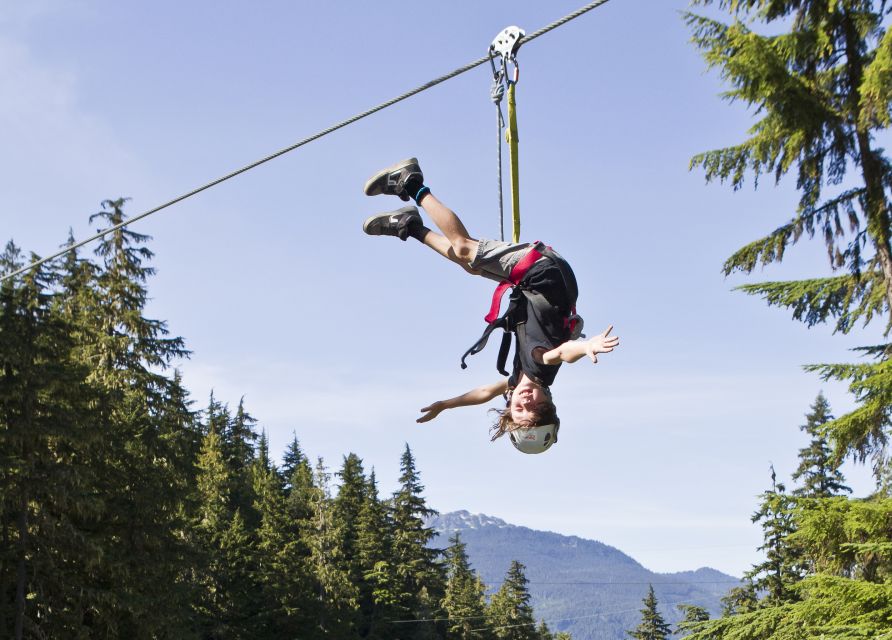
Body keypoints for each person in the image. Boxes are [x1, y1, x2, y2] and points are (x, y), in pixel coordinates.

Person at [362, 157, 619, 454]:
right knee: (463, 247)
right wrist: (587, 348)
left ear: (509, 409)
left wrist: (447, 405)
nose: (526, 402)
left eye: (520, 410)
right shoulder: (541, 366)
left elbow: (484, 392)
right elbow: (562, 353)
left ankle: (410, 225)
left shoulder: (517, 382)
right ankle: (410, 182)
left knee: (468, 264)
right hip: (543, 272)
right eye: (536, 407)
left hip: (535, 280)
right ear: (549, 402)